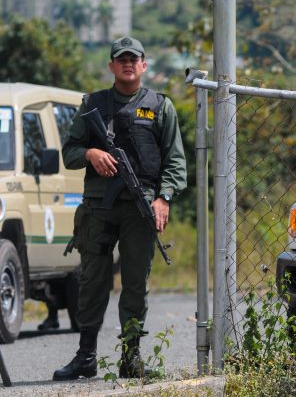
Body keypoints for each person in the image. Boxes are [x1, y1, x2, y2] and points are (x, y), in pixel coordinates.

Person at [53, 36, 187, 381]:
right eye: (121, 59)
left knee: (134, 285)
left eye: (134, 59)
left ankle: (131, 357)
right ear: (112, 66)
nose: (128, 63)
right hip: (99, 209)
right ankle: (86, 356)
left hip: (139, 210)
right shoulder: (92, 105)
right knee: (92, 280)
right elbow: (68, 152)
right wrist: (90, 154)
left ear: (144, 65)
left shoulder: (160, 106)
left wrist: (163, 198)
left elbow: (175, 162)